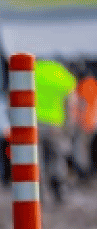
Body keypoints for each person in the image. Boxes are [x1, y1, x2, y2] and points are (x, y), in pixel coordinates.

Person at [35, 58, 76, 203]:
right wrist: (68, 126)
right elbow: (71, 103)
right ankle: (58, 190)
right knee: (56, 158)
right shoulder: (62, 74)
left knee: (36, 159)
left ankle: (38, 193)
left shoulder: (32, 70)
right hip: (55, 124)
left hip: (33, 124)